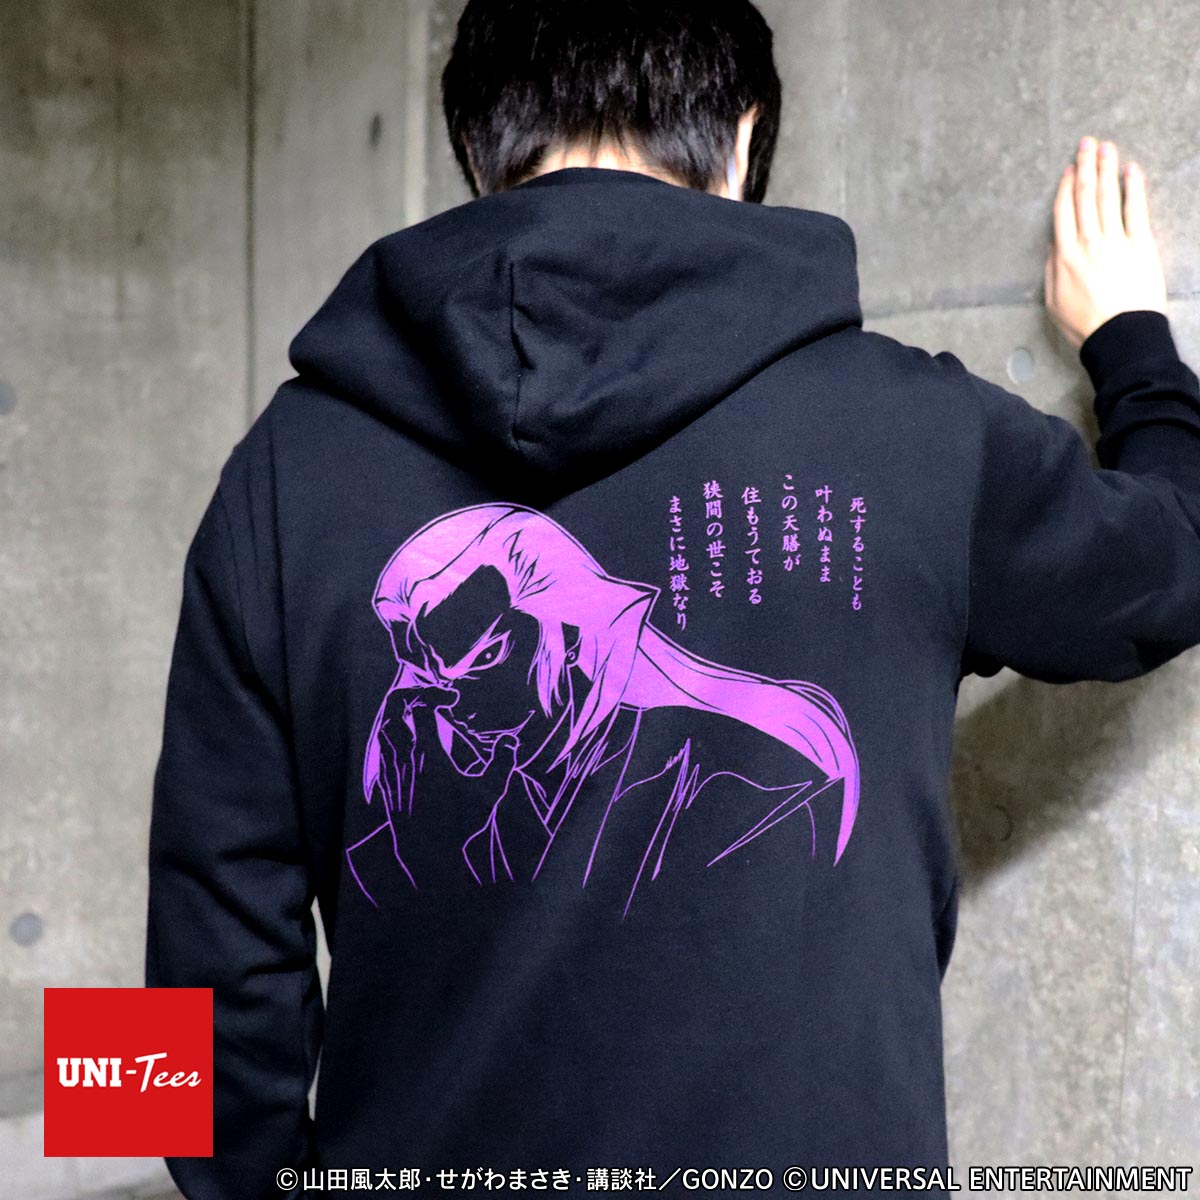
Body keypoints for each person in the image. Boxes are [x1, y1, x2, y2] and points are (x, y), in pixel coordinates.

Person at [144, 1, 1200, 1196]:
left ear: (476, 151)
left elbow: (194, 931)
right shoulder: (919, 436)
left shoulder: (280, 474)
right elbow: (1173, 564)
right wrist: (1133, 342)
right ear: (744, 138)